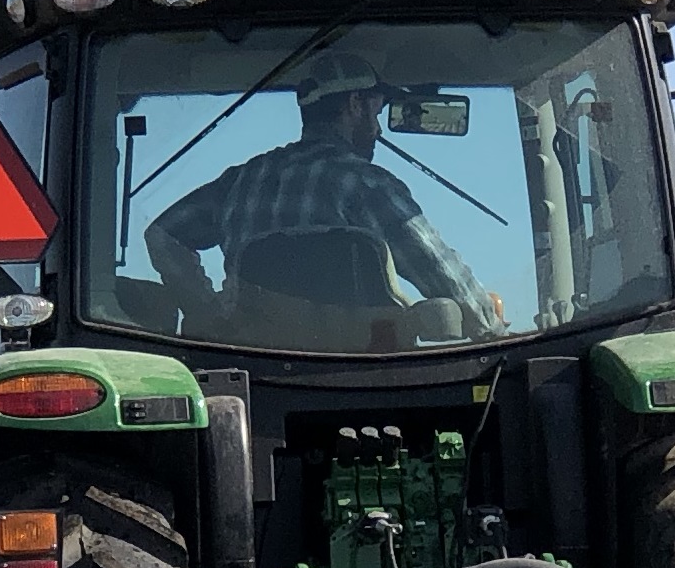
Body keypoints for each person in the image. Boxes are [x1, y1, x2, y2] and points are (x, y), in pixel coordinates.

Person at [145, 51, 501, 348]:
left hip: (253, 367)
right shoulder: (367, 183)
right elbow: (437, 270)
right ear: (355, 104)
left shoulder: (239, 180)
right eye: (376, 114)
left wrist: (207, 311)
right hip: (363, 377)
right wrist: (491, 331)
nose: (378, 129)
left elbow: (162, 235)